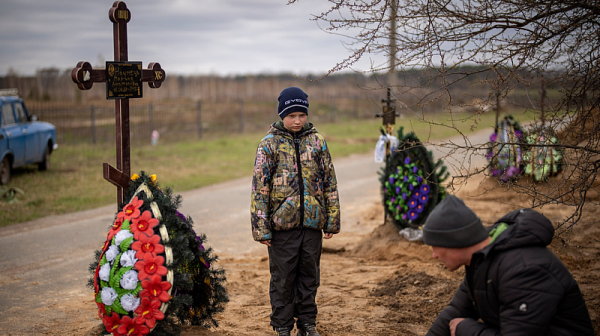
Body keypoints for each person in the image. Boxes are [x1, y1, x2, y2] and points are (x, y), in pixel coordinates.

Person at [422, 195, 594, 336]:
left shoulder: (523, 269)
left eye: (436, 246)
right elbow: (456, 311)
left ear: (455, 241)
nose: (434, 255)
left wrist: (467, 330)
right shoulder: (481, 260)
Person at [251, 87, 341, 336]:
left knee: (309, 276)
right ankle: (282, 326)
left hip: (312, 224)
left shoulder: (318, 142)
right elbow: (260, 189)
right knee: (283, 278)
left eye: (301, 115)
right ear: (282, 115)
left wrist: (331, 219)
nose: (297, 120)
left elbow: (329, 181)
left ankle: (307, 324)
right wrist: (262, 228)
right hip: (282, 227)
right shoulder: (269, 145)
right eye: (292, 115)